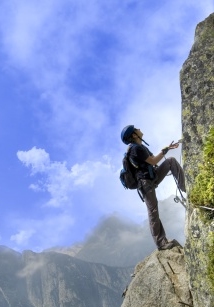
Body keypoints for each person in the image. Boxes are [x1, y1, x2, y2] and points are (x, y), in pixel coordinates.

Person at [121, 125, 186, 250]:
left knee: (171, 161)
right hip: (145, 183)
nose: (139, 128)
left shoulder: (139, 147)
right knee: (153, 212)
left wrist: (166, 149)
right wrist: (165, 151)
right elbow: (153, 161)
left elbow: (152, 160)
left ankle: (186, 188)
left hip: (151, 178)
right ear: (134, 135)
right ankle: (161, 243)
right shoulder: (136, 149)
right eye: (136, 129)